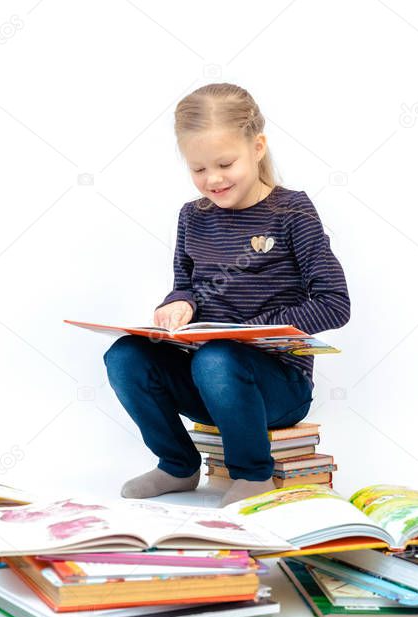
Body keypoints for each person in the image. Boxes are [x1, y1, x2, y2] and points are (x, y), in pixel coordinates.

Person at [104, 83, 351, 507]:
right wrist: (178, 303)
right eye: (198, 169)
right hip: (204, 378)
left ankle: (254, 475)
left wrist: (246, 332)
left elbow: (334, 302)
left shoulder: (292, 212)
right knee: (124, 354)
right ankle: (177, 465)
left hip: (275, 388)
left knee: (219, 357)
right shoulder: (192, 217)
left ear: (257, 147)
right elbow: (185, 283)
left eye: (225, 163)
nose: (213, 180)